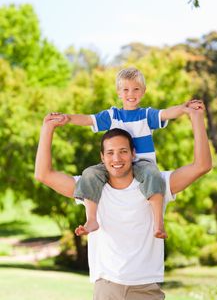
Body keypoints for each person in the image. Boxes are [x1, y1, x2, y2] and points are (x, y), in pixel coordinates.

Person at [35, 101, 212, 300]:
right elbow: (43, 174)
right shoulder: (90, 186)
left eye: (123, 151)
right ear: (102, 157)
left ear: (133, 154)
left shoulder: (158, 183)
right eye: (110, 153)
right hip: (107, 287)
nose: (116, 158)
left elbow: (201, 166)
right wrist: (47, 128)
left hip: (145, 288)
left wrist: (196, 118)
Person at [53, 67, 196, 239]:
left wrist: (184, 108)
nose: (131, 93)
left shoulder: (147, 115)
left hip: (143, 164)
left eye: (136, 89)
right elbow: (88, 119)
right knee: (89, 174)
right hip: (115, 164)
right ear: (119, 93)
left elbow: (167, 113)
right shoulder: (112, 115)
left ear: (143, 91)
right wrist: (67, 118)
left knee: (154, 175)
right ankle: (91, 219)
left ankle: (158, 223)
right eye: (126, 89)